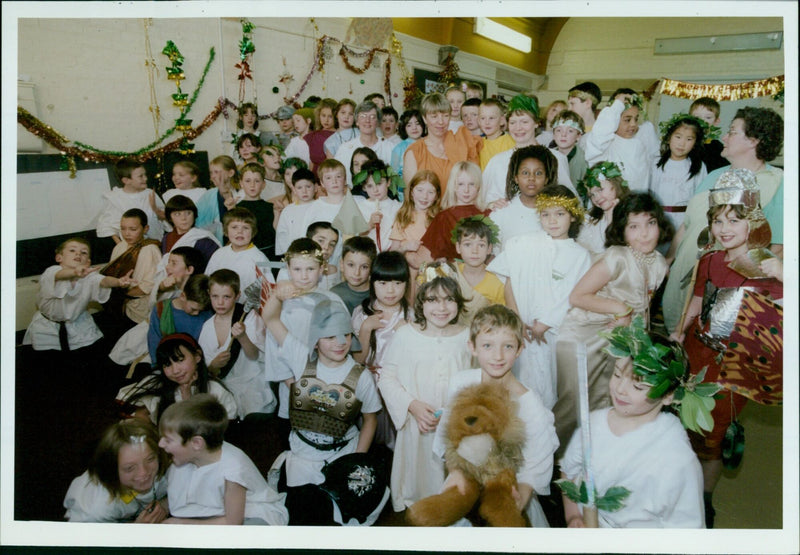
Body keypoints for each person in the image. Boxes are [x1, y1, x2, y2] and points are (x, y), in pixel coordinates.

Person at [669, 168, 783, 528]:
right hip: (696, 353)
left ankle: (703, 500)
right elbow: (697, 301)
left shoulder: (768, 266)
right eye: (718, 220)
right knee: (682, 426)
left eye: (735, 219)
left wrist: (784, 273)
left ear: (753, 222)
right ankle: (679, 490)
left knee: (712, 439)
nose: (724, 228)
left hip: (734, 367)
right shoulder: (710, 260)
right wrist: (676, 333)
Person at [553, 193, 672, 454]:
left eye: (650, 224)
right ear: (622, 230)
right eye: (634, 226)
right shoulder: (617, 256)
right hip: (585, 336)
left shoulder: (661, 264)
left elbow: (646, 308)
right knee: (575, 402)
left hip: (623, 338)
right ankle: (557, 461)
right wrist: (620, 309)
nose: (644, 234)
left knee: (610, 400)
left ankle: (592, 458)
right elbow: (578, 296)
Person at [559, 319, 707, 528]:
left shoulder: (677, 460)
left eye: (638, 387)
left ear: (668, 396)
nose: (620, 389)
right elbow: (569, 471)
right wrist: (573, 515)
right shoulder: (593, 424)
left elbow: (686, 531)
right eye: (617, 374)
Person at [433, 305, 559, 527]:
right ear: (472, 347)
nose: (498, 356)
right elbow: (450, 439)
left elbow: (535, 466)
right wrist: (456, 473)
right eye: (488, 345)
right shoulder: (460, 383)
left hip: (507, 492)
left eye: (508, 346)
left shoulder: (529, 404)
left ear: (520, 349)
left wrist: (515, 501)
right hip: (465, 486)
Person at [262, 297, 385, 525]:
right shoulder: (302, 358)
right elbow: (270, 318)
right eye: (330, 337)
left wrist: (356, 460)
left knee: (340, 520)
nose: (340, 343)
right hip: (302, 455)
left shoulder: (361, 376)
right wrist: (279, 294)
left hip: (342, 454)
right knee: (299, 516)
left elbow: (370, 420)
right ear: (315, 341)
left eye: (346, 335)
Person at [662, 106, 784, 334]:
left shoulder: (777, 183)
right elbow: (689, 224)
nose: (724, 137)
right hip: (683, 278)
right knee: (675, 343)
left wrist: (727, 283)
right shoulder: (714, 175)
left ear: (753, 140)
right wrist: (669, 260)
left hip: (728, 290)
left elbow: (777, 248)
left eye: (732, 132)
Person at [379, 262, 472, 511]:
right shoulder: (406, 335)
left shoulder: (468, 336)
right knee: (420, 482)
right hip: (418, 424)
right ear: (421, 301)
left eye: (449, 299)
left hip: (456, 424)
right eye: (432, 299)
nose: (441, 308)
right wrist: (412, 406)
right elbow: (386, 378)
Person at [489, 185, 591, 409]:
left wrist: (544, 324)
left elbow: (572, 295)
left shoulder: (580, 256)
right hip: (521, 330)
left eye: (560, 214)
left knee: (548, 390)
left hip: (553, 333)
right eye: (546, 214)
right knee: (518, 390)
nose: (552, 221)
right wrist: (517, 318)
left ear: (573, 217)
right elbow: (510, 281)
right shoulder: (523, 244)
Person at [263, 238, 349, 444]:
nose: (304, 275)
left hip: (329, 383)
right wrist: (292, 383)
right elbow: (275, 344)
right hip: (293, 384)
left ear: (322, 269)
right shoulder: (282, 304)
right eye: (298, 269)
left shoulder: (332, 299)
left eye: (310, 268)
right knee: (295, 436)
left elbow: (343, 338)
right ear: (288, 269)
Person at [158, 394, 288, 524]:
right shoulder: (186, 457)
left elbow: (232, 523)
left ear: (197, 443)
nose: (161, 444)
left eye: (168, 440)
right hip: (217, 515)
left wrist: (181, 524)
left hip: (248, 517)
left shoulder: (232, 470)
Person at [22, 237, 135, 353]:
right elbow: (59, 275)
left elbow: (104, 281)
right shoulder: (52, 272)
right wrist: (74, 272)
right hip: (47, 328)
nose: (78, 254)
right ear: (59, 257)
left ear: (88, 262)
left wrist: (118, 282)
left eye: (84, 252)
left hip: (78, 325)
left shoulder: (90, 276)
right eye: (72, 250)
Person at [351, 250, 413, 449]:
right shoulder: (362, 313)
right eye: (383, 283)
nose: (391, 290)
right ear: (372, 282)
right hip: (370, 386)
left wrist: (406, 333)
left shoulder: (411, 316)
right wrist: (366, 328)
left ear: (406, 284)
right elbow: (359, 360)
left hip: (400, 386)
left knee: (399, 443)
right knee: (371, 439)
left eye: (397, 283)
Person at [199, 269, 275, 420]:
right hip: (221, 384)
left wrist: (242, 337)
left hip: (251, 382)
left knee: (254, 416)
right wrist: (214, 365)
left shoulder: (248, 318)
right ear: (209, 294)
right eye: (215, 296)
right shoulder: (207, 326)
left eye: (226, 297)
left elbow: (254, 356)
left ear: (237, 296)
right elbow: (204, 368)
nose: (220, 302)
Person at [64, 419, 169, 523]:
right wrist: (135, 530)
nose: (144, 472)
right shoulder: (96, 509)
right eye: (129, 468)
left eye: (150, 459)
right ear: (111, 469)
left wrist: (165, 506)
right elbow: (84, 537)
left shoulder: (169, 465)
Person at [119, 333, 237, 423]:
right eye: (167, 365)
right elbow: (126, 402)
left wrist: (187, 399)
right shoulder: (157, 383)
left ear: (197, 356)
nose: (175, 371)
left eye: (180, 360)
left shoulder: (215, 391)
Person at [482, 95, 574, 205]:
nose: (518, 127)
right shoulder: (497, 161)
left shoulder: (556, 158)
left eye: (524, 122)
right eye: (513, 122)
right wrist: (491, 204)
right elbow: (482, 198)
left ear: (536, 123)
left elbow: (570, 200)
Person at [99, 208, 162, 340]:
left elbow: (148, 286)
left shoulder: (150, 249)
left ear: (145, 229)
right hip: (120, 305)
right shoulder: (120, 247)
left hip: (140, 309)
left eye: (133, 229)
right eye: (123, 229)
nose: (127, 234)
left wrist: (123, 295)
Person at [403, 92, 481, 190]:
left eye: (445, 116)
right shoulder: (415, 152)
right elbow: (411, 194)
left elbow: (475, 180)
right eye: (434, 116)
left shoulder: (462, 142)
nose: (440, 122)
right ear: (424, 119)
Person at [649, 113, 708, 237]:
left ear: (695, 143)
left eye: (689, 139)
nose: (682, 144)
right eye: (678, 137)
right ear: (669, 137)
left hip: (684, 221)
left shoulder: (698, 166)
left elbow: (701, 198)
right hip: (658, 218)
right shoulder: (655, 162)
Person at [419, 161, 490, 263]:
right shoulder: (443, 217)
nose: (466, 190)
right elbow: (426, 256)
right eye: (461, 184)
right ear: (453, 186)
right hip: (453, 274)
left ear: (479, 186)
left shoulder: (487, 214)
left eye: (471, 184)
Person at [488, 145, 556, 249]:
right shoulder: (501, 212)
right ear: (516, 178)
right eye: (525, 173)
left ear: (546, 179)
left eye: (538, 173)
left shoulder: (558, 212)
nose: (531, 178)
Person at [95, 159, 164, 260]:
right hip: (130, 251)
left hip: (154, 246)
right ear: (126, 180)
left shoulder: (150, 194)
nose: (145, 178)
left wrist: (155, 209)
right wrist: (123, 248)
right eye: (140, 176)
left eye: (145, 175)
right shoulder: (115, 198)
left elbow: (166, 219)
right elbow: (107, 227)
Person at [584, 91, 652, 192]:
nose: (633, 124)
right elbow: (600, 134)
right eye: (627, 120)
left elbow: (643, 183)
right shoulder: (606, 143)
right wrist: (617, 105)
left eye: (636, 119)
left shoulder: (639, 145)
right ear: (614, 119)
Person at [204, 207, 274, 302]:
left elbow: (268, 293)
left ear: (253, 232)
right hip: (218, 306)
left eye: (245, 228)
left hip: (247, 312)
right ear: (225, 231)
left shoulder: (260, 259)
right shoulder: (219, 254)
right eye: (234, 227)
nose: (240, 232)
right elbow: (207, 282)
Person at [146, 273, 212, 365]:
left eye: (200, 310)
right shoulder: (161, 309)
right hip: (166, 363)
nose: (197, 313)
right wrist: (158, 367)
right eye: (193, 309)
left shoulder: (206, 314)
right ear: (183, 296)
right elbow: (154, 342)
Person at [389, 169, 442, 285]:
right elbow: (393, 253)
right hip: (406, 272)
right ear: (412, 192)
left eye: (430, 192)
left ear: (437, 196)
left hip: (430, 272)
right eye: (420, 190)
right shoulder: (402, 216)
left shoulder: (439, 218)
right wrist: (406, 247)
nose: (424, 196)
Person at [451, 215, 505, 324]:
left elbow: (500, 320)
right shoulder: (449, 273)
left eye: (481, 245)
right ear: (458, 247)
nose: (474, 251)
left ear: (489, 249)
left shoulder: (497, 282)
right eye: (467, 245)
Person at [576, 161, 630, 255]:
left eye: (600, 190)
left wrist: (612, 218)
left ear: (615, 184)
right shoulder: (591, 221)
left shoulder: (633, 214)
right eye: (592, 195)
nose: (597, 198)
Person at [335, 101, 393, 185]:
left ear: (377, 122)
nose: (367, 120)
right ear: (357, 121)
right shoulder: (345, 148)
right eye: (363, 116)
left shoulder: (389, 147)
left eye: (372, 117)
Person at [159, 195, 220, 269]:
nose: (184, 218)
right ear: (170, 218)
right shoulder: (166, 238)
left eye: (188, 213)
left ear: (194, 215)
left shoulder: (204, 239)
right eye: (177, 214)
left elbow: (214, 266)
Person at [353, 159, 402, 251]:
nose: (375, 190)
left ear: (388, 182)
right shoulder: (360, 207)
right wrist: (370, 225)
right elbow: (354, 235)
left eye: (379, 184)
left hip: (389, 257)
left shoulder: (398, 207)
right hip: (366, 255)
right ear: (364, 187)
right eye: (370, 186)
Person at [196, 155, 242, 243]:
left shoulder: (242, 193)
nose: (213, 176)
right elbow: (198, 221)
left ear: (230, 173)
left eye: (216, 172)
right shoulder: (209, 195)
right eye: (211, 173)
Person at [236, 162, 276, 260]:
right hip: (244, 256)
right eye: (248, 181)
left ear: (263, 184)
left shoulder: (271, 208)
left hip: (268, 255)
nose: (252, 185)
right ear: (241, 183)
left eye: (257, 181)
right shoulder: (236, 209)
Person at [275, 167, 317, 256]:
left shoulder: (320, 207)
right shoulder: (288, 211)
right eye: (299, 187)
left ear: (316, 187)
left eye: (308, 187)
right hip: (294, 254)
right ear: (294, 189)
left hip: (315, 253)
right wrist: (287, 254)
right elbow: (282, 234)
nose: (304, 191)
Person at [331, 236, 377, 314]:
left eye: (364, 267)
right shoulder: (334, 294)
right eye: (351, 265)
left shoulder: (380, 293)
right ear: (342, 265)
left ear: (372, 268)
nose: (357, 273)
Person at [551, 111, 589, 190]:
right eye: (559, 130)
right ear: (553, 135)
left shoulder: (584, 160)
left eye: (570, 131)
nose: (563, 134)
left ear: (578, 136)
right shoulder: (548, 156)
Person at [689, 97, 728, 172]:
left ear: (716, 121)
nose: (702, 121)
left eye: (708, 117)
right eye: (697, 118)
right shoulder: (684, 143)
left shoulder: (717, 148)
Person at [478, 98, 515, 169]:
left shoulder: (510, 143)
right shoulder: (478, 143)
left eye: (491, 118)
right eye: (483, 118)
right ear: (479, 121)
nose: (487, 122)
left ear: (501, 120)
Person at [390, 109, 426, 183]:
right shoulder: (398, 148)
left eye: (417, 123)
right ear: (404, 128)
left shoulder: (430, 143)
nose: (414, 128)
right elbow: (393, 175)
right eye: (409, 125)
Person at [304, 97, 337, 172]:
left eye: (330, 116)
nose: (326, 120)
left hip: (330, 173)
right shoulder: (313, 135)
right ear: (319, 115)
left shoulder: (338, 135)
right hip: (315, 174)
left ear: (336, 117)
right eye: (323, 115)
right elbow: (311, 162)